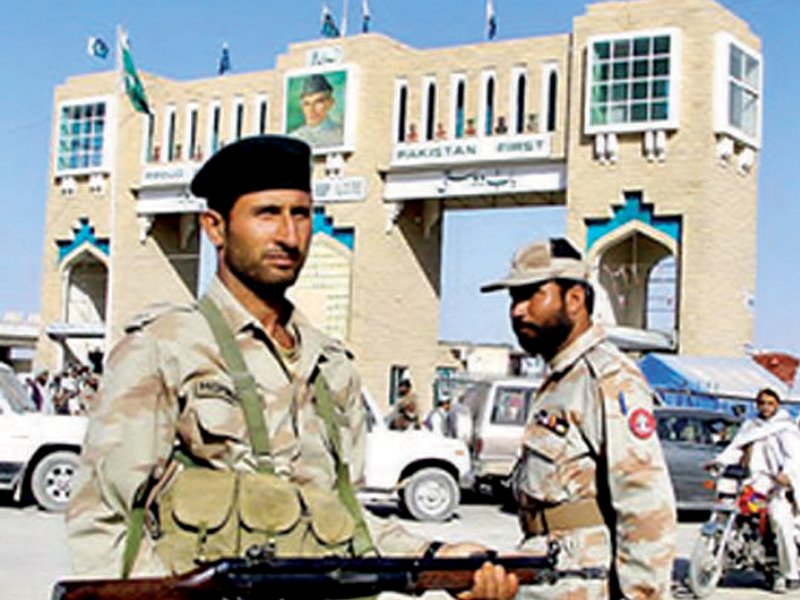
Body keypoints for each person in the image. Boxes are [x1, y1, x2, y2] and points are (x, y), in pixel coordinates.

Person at [66, 135, 516, 600]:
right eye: (267, 214)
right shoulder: (164, 348)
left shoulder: (331, 367)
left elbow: (346, 523)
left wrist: (438, 556)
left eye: (300, 214)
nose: (288, 234)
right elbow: (104, 514)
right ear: (215, 228)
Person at [480, 237, 676, 599]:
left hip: (586, 581)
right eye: (513, 299)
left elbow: (645, 506)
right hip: (551, 572)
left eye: (531, 295)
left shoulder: (608, 377)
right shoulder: (560, 379)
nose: (517, 311)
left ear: (575, 300)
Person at [713, 387, 800, 593]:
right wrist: (718, 463)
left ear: (778, 404)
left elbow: (794, 456)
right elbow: (735, 448)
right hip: (752, 483)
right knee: (727, 514)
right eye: (762, 403)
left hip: (775, 486)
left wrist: (786, 474)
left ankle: (789, 572)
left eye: (770, 403)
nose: (766, 407)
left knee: (780, 522)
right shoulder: (751, 425)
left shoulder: (786, 428)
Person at [290, 73, 343, 148]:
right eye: (307, 104)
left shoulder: (341, 133)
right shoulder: (295, 137)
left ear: (330, 103)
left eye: (318, 102)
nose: (311, 110)